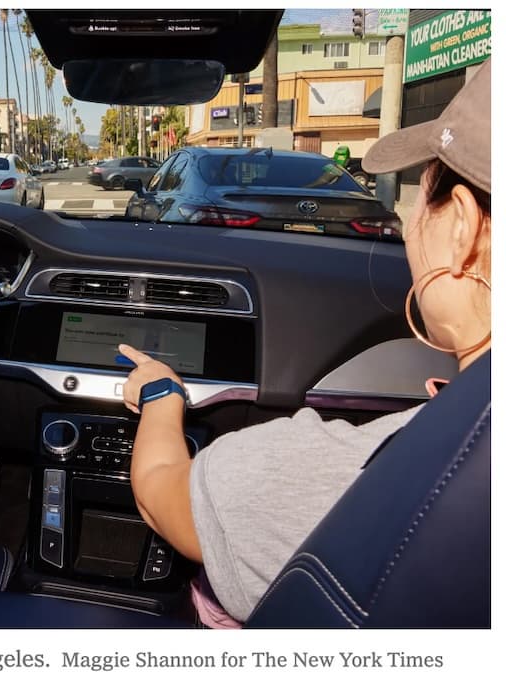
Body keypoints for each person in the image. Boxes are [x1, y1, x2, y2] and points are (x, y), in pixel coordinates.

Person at [119, 59, 491, 626]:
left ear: (459, 228)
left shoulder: (336, 476)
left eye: (426, 191)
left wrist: (162, 397)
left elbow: (158, 491)